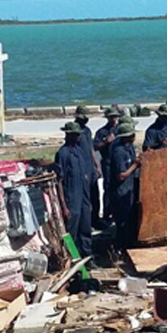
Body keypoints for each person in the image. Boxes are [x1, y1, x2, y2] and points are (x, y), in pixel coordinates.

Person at [54, 122, 93, 262]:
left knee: (86, 226)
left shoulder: (79, 151)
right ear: (68, 135)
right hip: (72, 197)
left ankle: (88, 257)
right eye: (75, 135)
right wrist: (64, 206)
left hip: (84, 196)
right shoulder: (62, 154)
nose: (78, 138)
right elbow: (59, 181)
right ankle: (72, 259)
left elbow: (85, 175)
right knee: (72, 230)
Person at [109, 121, 142, 255]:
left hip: (129, 190)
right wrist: (135, 165)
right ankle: (119, 250)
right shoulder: (119, 153)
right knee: (122, 223)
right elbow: (121, 175)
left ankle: (128, 247)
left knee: (130, 221)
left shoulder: (129, 149)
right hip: (120, 193)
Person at [94, 107, 121, 225]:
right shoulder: (102, 132)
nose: (113, 119)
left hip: (119, 162)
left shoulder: (120, 130)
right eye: (111, 117)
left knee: (119, 187)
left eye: (115, 117)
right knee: (108, 188)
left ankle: (117, 212)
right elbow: (95, 146)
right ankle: (107, 213)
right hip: (108, 162)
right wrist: (106, 142)